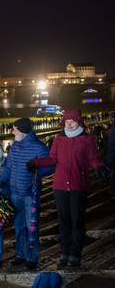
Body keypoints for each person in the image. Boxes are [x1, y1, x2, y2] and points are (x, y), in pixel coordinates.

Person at [30, 109, 105, 267]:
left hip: (78, 186)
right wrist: (37, 163)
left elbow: (93, 158)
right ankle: (64, 251)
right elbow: (52, 159)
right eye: (67, 121)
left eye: (73, 121)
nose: (69, 124)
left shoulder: (87, 139)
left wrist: (99, 167)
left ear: (79, 122)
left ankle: (75, 253)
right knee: (64, 221)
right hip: (60, 186)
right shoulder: (59, 139)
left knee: (77, 221)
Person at [3, 117, 51, 270]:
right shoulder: (15, 146)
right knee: (19, 226)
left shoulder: (39, 147)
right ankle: (20, 254)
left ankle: (32, 257)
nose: (12, 131)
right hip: (15, 193)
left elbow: (51, 166)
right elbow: (8, 168)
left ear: (22, 130)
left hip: (30, 194)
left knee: (32, 227)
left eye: (15, 128)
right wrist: (0, 182)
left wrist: (37, 169)